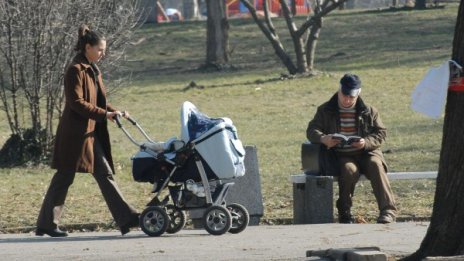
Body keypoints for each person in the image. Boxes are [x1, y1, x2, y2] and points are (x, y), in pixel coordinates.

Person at [36, 25, 139, 237]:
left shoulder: (92, 68)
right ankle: (47, 223)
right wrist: (104, 115)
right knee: (64, 177)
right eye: (100, 49)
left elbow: (99, 101)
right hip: (75, 135)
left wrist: (114, 111)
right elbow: (77, 103)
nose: (103, 54)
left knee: (104, 173)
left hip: (90, 134)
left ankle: (127, 218)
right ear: (88, 47)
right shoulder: (75, 69)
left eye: (104, 50)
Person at [306, 73, 397, 224]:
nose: (347, 100)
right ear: (339, 90)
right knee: (349, 171)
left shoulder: (369, 111)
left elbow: (381, 133)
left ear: (358, 93)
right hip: (342, 156)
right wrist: (324, 139)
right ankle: (345, 212)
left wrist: (366, 142)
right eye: (344, 95)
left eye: (351, 97)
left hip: (368, 153)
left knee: (376, 165)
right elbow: (311, 130)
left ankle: (388, 211)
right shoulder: (325, 110)